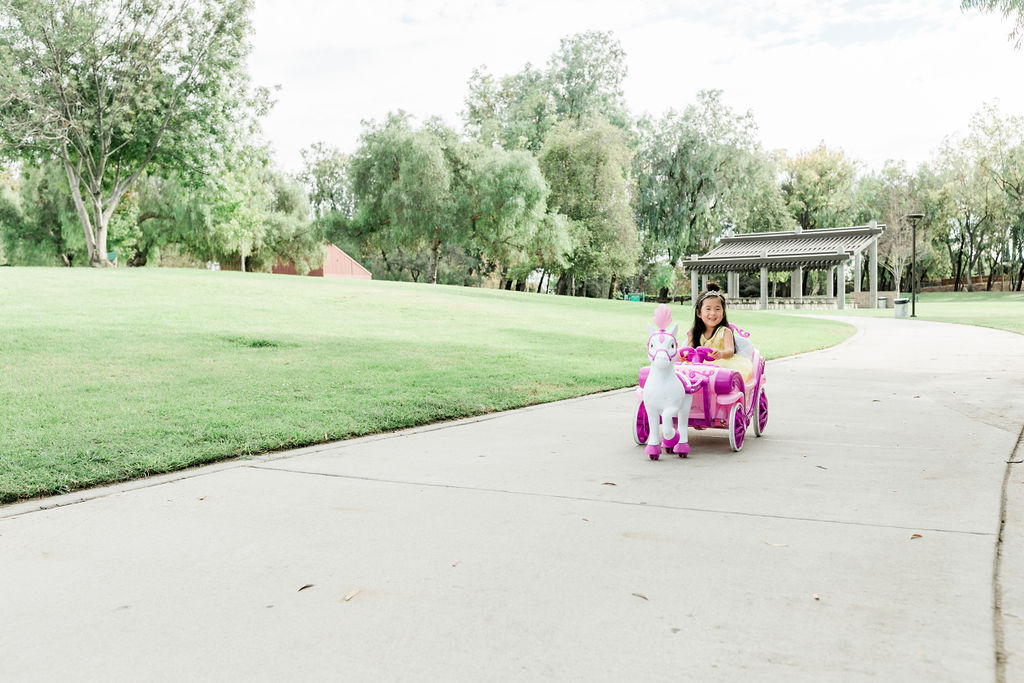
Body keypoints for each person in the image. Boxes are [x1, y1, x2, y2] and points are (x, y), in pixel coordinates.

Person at [685, 284, 753, 382]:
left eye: (717, 309)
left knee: (723, 377)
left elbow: (730, 351)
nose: (713, 313)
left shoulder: (725, 331)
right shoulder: (693, 332)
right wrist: (686, 354)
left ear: (723, 313)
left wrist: (721, 354)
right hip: (699, 365)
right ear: (699, 313)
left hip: (720, 364)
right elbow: (690, 350)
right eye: (708, 309)